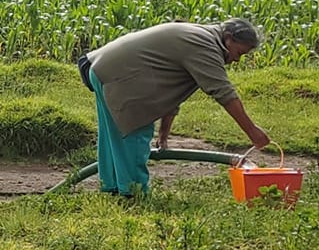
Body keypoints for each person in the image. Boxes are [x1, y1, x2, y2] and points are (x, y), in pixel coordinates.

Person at [83, 19, 270, 196]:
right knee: (134, 133)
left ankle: (112, 189)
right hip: (121, 76)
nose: (237, 60)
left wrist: (164, 134)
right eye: (239, 53)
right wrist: (252, 132)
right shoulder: (206, 47)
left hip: (102, 68)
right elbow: (224, 93)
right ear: (229, 38)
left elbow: (169, 93)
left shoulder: (202, 37)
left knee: (114, 137)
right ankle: (132, 194)